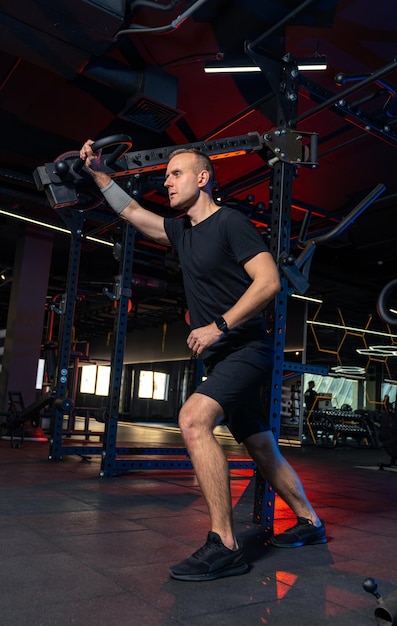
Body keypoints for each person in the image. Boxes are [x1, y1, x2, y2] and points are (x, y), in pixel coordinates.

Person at [79, 140, 326, 582]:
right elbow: (133, 213)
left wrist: (220, 326)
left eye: (176, 174)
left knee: (193, 419)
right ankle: (311, 522)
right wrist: (98, 175)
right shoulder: (182, 231)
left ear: (202, 178)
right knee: (262, 448)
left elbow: (269, 282)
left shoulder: (231, 223)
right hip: (225, 354)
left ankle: (224, 545)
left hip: (246, 349)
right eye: (167, 175)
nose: (167, 182)